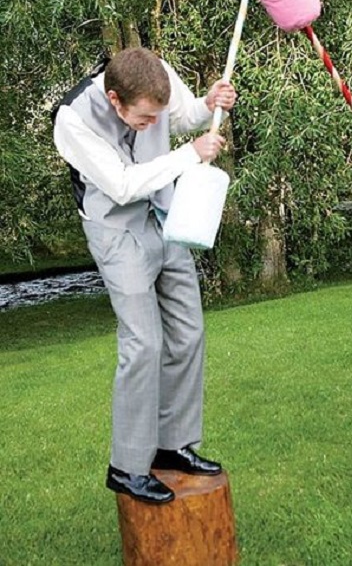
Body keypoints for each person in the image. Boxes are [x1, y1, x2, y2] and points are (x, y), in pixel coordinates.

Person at [53, 47, 237, 503]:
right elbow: (122, 184)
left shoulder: (157, 74)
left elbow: (181, 116)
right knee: (143, 343)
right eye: (142, 120)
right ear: (115, 100)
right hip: (117, 230)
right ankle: (128, 467)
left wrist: (208, 103)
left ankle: (172, 445)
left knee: (188, 332)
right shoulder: (73, 119)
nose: (151, 125)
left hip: (165, 218)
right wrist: (191, 155)